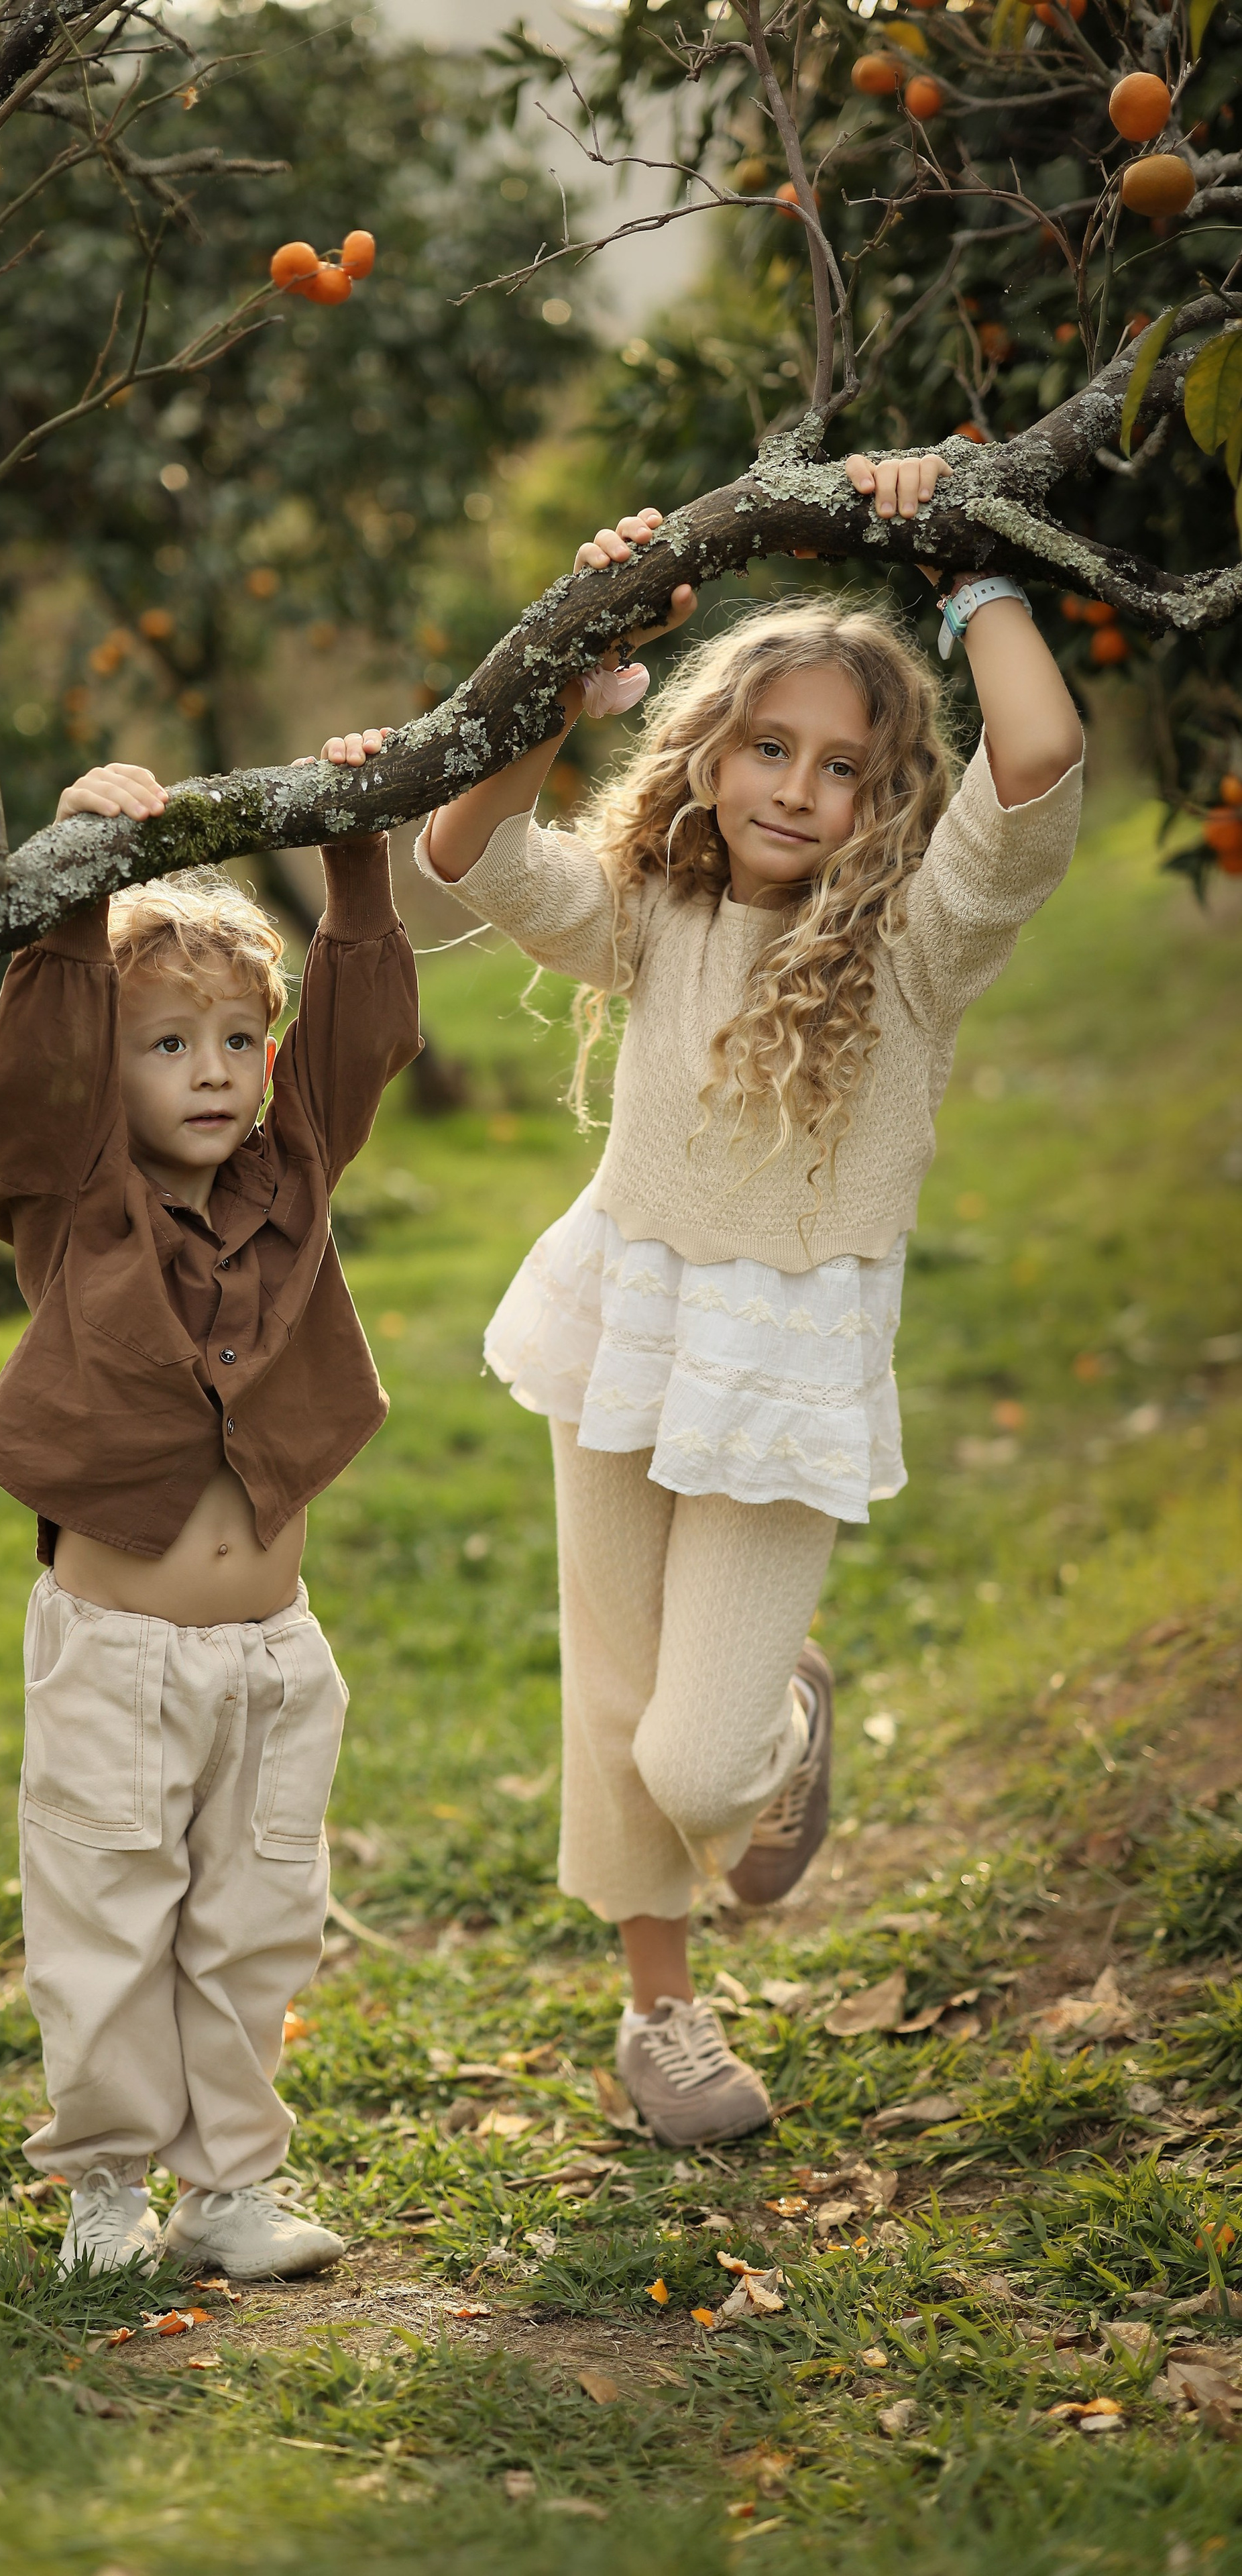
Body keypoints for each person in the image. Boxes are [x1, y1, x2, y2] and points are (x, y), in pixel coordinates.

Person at [319, 450, 1084, 2147]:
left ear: (883, 801)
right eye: (767, 746)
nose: (798, 791)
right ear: (709, 749)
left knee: (698, 1762)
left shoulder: (914, 943)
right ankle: (658, 2015)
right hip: (620, 1325)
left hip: (787, 1367)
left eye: (840, 768)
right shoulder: (655, 912)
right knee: (614, 1698)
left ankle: (778, 1712)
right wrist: (578, 652)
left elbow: (1032, 762)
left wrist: (962, 561)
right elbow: (467, 845)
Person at [0, 771, 419, 2275]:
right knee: (106, 1922)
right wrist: (80, 883)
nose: (213, 1073)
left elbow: (355, 1047)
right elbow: (38, 1073)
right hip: (118, 1657)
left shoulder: (287, 1180)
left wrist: (354, 867)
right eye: (166, 1047)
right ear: (112, 1070)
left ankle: (229, 2192)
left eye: (237, 1040)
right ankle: (106, 2183)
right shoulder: (73, 1197)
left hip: (275, 1663)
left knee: (254, 1930)